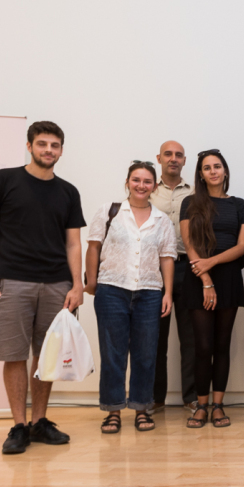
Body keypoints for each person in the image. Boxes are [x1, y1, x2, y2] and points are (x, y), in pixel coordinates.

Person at [0, 120, 85, 454]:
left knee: (47, 355)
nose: (48, 150)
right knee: (14, 354)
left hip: (57, 284)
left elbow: (73, 243)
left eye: (54, 145)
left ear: (61, 150)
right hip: (12, 281)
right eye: (42, 144)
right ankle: (19, 426)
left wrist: (77, 284)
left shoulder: (68, 191)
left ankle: (39, 422)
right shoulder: (4, 180)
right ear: (29, 146)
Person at [84, 161, 176, 434]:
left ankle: (141, 408)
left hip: (149, 292)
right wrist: (92, 282)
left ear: (154, 186)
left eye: (147, 181)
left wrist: (168, 292)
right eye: (136, 180)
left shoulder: (162, 220)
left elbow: (167, 258)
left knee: (146, 354)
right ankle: (112, 411)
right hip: (111, 289)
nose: (141, 185)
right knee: (112, 354)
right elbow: (93, 247)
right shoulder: (109, 211)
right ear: (127, 182)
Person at [179, 150, 244, 429]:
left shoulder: (239, 204)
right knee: (202, 346)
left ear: (225, 170)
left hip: (229, 277)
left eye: (217, 166)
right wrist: (206, 277)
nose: (213, 171)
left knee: (221, 345)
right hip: (198, 278)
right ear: (200, 174)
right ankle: (201, 406)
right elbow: (189, 244)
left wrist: (212, 262)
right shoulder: (190, 202)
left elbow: (242, 246)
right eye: (207, 168)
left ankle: (218, 406)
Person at [149, 140, 197, 415]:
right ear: (159, 158)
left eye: (178, 155)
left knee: (190, 338)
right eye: (168, 154)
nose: (173, 159)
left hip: (189, 268)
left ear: (184, 160)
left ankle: (191, 397)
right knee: (156, 338)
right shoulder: (148, 190)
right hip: (154, 270)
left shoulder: (195, 192)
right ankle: (156, 397)